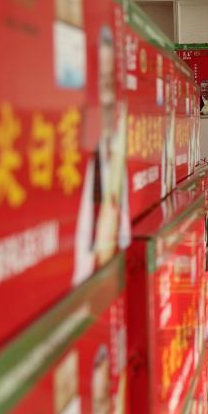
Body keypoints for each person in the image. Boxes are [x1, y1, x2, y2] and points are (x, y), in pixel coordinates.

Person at [74, 26, 130, 285]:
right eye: (100, 85)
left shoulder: (117, 150)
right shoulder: (77, 157)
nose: (107, 98)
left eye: (111, 85)